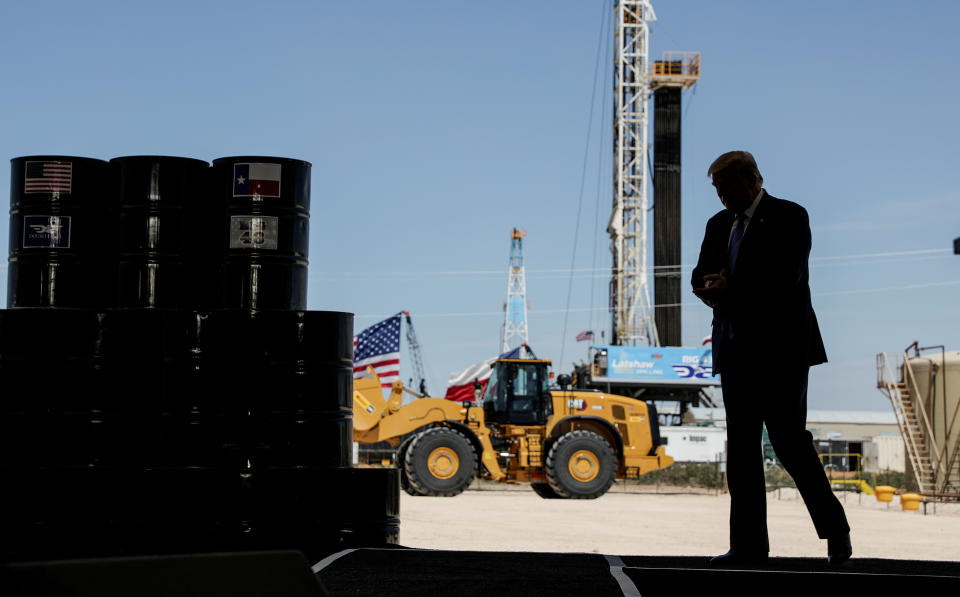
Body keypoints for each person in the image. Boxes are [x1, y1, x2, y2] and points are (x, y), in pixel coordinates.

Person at [691, 151, 851, 567]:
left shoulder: (790, 217)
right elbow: (700, 274)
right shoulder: (718, 225)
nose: (721, 195)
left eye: (726, 186)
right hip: (736, 350)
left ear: (753, 180)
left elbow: (785, 276)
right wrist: (709, 285)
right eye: (716, 188)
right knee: (742, 452)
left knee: (790, 445)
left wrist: (730, 286)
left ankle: (837, 533)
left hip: (782, 352)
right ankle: (747, 548)